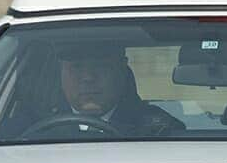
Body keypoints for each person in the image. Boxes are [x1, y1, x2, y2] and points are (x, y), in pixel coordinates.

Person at [12, 41, 183, 139]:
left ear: (121, 70)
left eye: (100, 67)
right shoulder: (25, 130)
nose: (88, 78)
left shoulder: (160, 130)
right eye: (76, 68)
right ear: (61, 74)